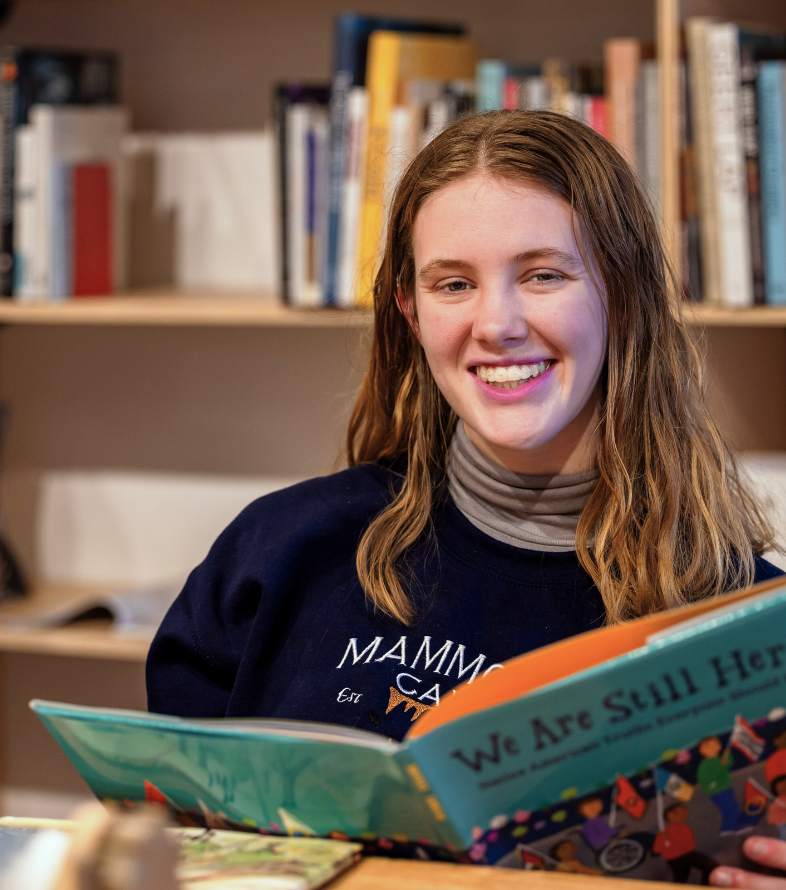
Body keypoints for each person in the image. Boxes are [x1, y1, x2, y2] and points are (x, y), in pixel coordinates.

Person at [146, 110, 786, 883]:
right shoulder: (280, 549)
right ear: (411, 312)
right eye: (454, 283)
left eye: (544, 274)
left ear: (624, 292)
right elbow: (167, 839)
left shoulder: (745, 628)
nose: (498, 324)